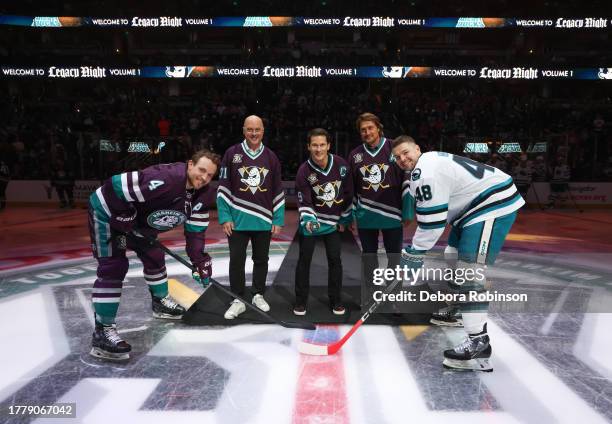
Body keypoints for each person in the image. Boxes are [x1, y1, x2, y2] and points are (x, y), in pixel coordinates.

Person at [391, 136, 524, 372]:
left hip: (489, 204)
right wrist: (414, 253)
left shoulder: (426, 172)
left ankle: (478, 342)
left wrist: (414, 254)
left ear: (418, 148)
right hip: (470, 209)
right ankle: (459, 310)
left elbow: (432, 224)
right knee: (452, 254)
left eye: (406, 152)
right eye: (398, 157)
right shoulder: (423, 167)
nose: (402, 159)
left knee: (470, 272)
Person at [88, 149, 220, 360]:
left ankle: (160, 302)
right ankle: (102, 332)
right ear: (190, 165)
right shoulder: (165, 178)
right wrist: (123, 215)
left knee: (154, 256)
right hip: (108, 214)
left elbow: (195, 234)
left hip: (138, 222)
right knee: (114, 267)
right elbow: (115, 185)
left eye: (210, 175)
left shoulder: (203, 195)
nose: (203, 178)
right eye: (201, 170)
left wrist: (200, 261)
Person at [217, 115, 285, 319]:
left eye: (257, 130)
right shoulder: (232, 153)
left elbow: (278, 190)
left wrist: (278, 219)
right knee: (236, 260)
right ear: (244, 130)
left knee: (261, 260)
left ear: (263, 131)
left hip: (263, 219)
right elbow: (223, 187)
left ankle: (258, 294)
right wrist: (224, 216)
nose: (254, 134)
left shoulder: (271, 157)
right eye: (250, 129)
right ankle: (237, 298)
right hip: (237, 220)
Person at [348, 113, 413, 310]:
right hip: (365, 215)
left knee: (394, 258)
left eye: (370, 128)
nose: (367, 132)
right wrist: (351, 214)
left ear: (379, 128)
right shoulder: (355, 155)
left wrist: (408, 210)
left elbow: (408, 180)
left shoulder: (395, 149)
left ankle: (395, 298)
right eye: (363, 130)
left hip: (393, 215)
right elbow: (350, 188)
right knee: (369, 258)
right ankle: (370, 295)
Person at [293, 128, 354, 316]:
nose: (318, 149)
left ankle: (336, 300)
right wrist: (310, 221)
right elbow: (304, 200)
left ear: (328, 145)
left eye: (322, 145)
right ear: (308, 147)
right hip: (313, 222)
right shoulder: (304, 170)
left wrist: (345, 218)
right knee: (304, 261)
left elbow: (348, 193)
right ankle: (301, 301)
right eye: (314, 145)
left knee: (335, 261)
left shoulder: (342, 165)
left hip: (334, 223)